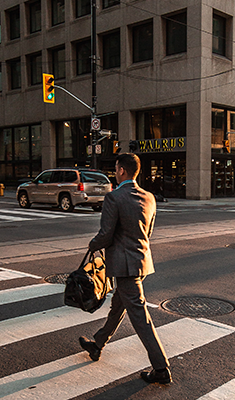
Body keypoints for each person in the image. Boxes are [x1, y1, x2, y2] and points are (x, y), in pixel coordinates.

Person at [78, 153, 171, 385]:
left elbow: (106, 234)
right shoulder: (149, 197)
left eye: (116, 168)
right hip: (141, 262)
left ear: (121, 171)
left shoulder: (114, 197)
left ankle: (161, 368)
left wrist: (93, 245)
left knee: (140, 317)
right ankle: (97, 345)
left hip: (124, 265)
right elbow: (147, 233)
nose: (115, 172)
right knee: (118, 307)